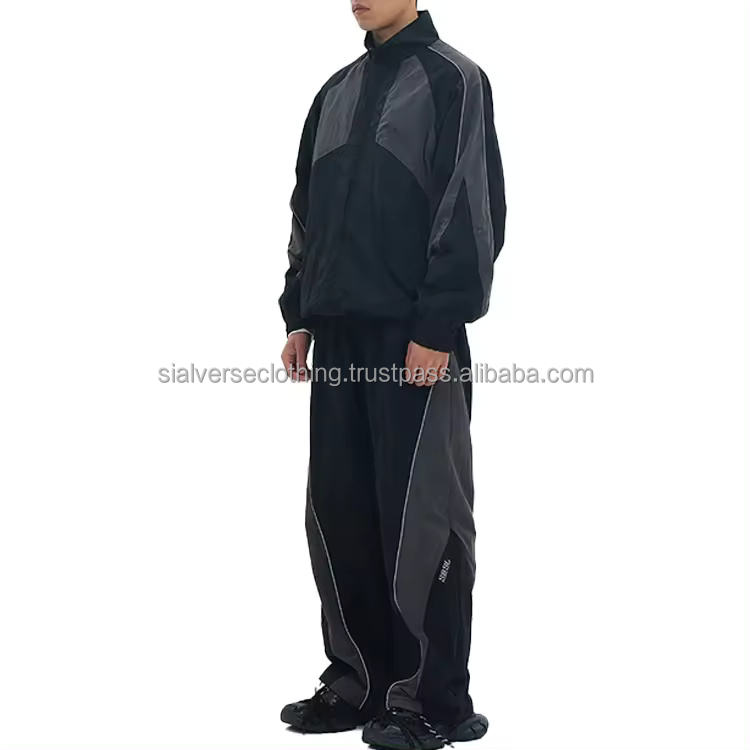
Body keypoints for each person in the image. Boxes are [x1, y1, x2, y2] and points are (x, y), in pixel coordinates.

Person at [278, 2, 506, 748]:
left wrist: (437, 324)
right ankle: (359, 685)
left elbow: (471, 204)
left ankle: (431, 701)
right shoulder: (334, 90)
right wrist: (299, 315)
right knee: (339, 511)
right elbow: (306, 211)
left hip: (414, 338)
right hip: (338, 336)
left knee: (422, 518)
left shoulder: (453, 80)